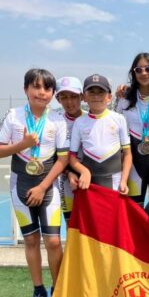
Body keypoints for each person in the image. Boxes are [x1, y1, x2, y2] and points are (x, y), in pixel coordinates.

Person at [0, 68, 68, 297]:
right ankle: (38, 290)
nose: (42, 92)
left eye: (47, 88)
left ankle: (58, 288)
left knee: (54, 242)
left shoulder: (57, 119)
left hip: (47, 188)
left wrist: (43, 186)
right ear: (26, 89)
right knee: (31, 240)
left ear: (53, 93)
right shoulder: (13, 116)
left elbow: (63, 159)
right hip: (21, 186)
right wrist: (23, 145)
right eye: (36, 87)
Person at [116, 53, 149, 207]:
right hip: (132, 161)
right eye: (138, 70)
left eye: (148, 69)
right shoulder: (124, 99)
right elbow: (116, 131)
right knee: (134, 209)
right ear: (133, 73)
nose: (144, 73)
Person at [69, 74, 132, 193]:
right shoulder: (79, 122)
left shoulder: (119, 119)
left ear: (109, 97)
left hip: (116, 181)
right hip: (88, 183)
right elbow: (72, 157)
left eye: (101, 92)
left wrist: (123, 180)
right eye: (91, 92)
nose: (96, 96)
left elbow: (127, 155)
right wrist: (84, 171)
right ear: (84, 97)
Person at [55, 76, 84, 222]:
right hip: (66, 181)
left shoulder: (92, 118)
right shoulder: (54, 122)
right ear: (58, 99)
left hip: (91, 178)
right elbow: (53, 155)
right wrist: (69, 172)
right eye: (64, 97)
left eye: (73, 96)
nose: (69, 102)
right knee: (72, 225)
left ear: (82, 97)